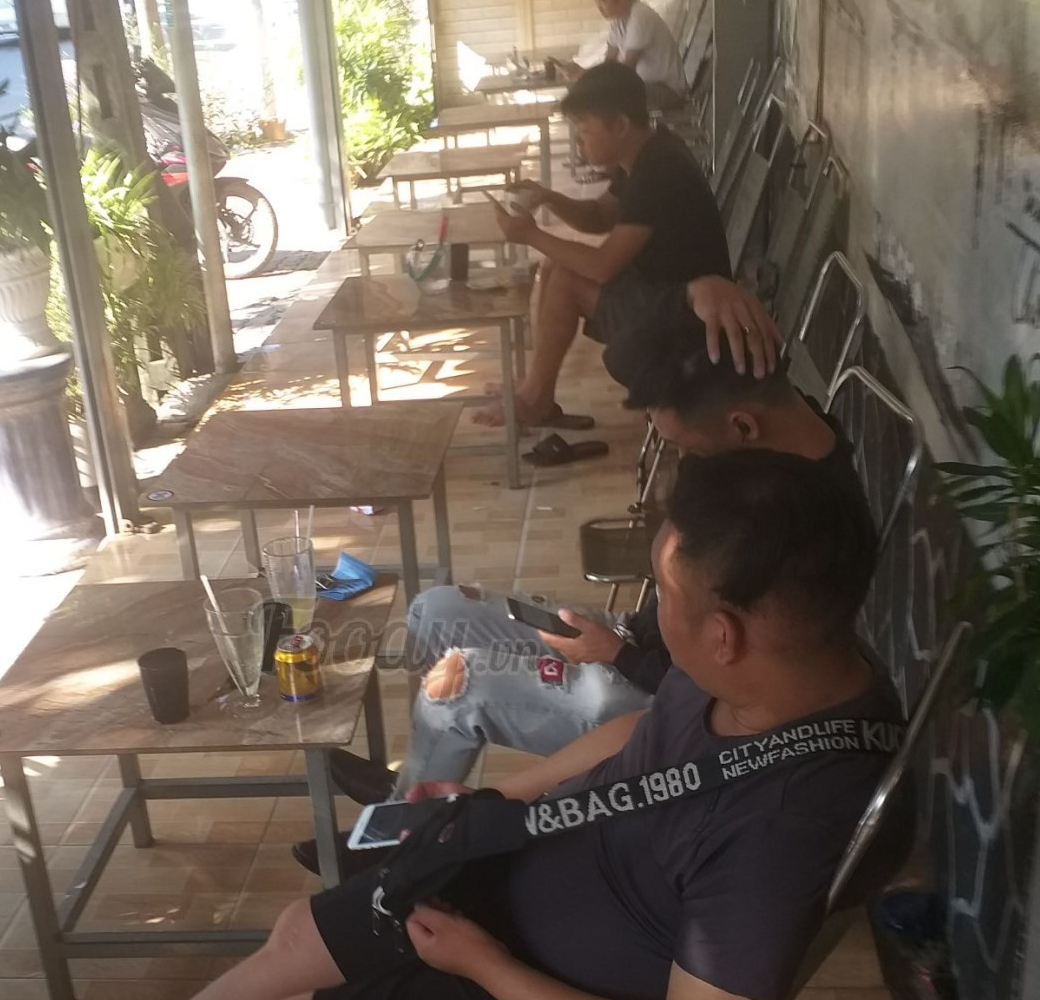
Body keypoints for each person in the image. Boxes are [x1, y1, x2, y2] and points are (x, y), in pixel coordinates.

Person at [0, 453, 908, 1000]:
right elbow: (640, 732)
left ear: (726, 633)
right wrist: (490, 804)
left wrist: (484, 966)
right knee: (302, 935)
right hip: (539, 872)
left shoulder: (783, 832)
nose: (653, 614)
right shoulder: (783, 664)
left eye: (664, 592)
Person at [309, 292, 861, 824]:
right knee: (435, 611)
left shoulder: (793, 536)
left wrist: (616, 656)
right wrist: (695, 290)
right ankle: (418, 789)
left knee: (456, 688)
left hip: (657, 699)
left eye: (689, 447)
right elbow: (629, 329)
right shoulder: (780, 435)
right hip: (638, 642)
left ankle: (405, 833)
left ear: (742, 426)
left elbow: (715, 689)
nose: (686, 461)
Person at [476, 63, 756, 441]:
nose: (579, 142)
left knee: (565, 281)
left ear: (620, 125)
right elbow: (599, 217)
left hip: (688, 315)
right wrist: (547, 197)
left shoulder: (658, 172)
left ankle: (534, 399)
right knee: (556, 269)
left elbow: (603, 266)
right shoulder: (647, 152)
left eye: (584, 129)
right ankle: (534, 390)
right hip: (670, 294)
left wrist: (529, 235)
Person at [563, 0, 687, 110]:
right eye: (597, 1)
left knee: (603, 97)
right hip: (645, 87)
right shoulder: (618, 20)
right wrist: (584, 73)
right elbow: (609, 63)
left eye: (603, 0)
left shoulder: (640, 16)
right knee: (593, 92)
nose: (599, 7)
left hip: (665, 91)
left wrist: (588, 79)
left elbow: (626, 71)